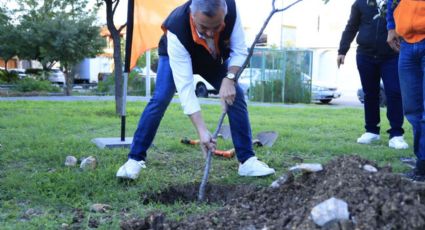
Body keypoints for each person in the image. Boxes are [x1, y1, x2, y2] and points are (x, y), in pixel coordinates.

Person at [116, 0, 275, 180]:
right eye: (203, 27)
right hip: (175, 55)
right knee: (160, 99)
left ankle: (247, 161)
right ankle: (135, 159)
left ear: (223, 15)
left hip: (210, 57)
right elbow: (185, 88)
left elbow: (239, 50)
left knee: (235, 95)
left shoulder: (230, 7)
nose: (209, 32)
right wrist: (202, 130)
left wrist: (229, 79)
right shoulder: (176, 28)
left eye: (216, 27)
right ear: (192, 15)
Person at [337, 0, 408, 149]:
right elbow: (351, 27)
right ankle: (371, 130)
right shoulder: (360, 3)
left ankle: (396, 134)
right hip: (365, 55)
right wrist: (342, 51)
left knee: (394, 92)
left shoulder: (396, 2)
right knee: (370, 94)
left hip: (391, 55)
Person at [387, 0, 425, 181]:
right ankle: (422, 160)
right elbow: (391, 2)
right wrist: (391, 26)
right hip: (407, 45)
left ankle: (422, 165)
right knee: (412, 110)